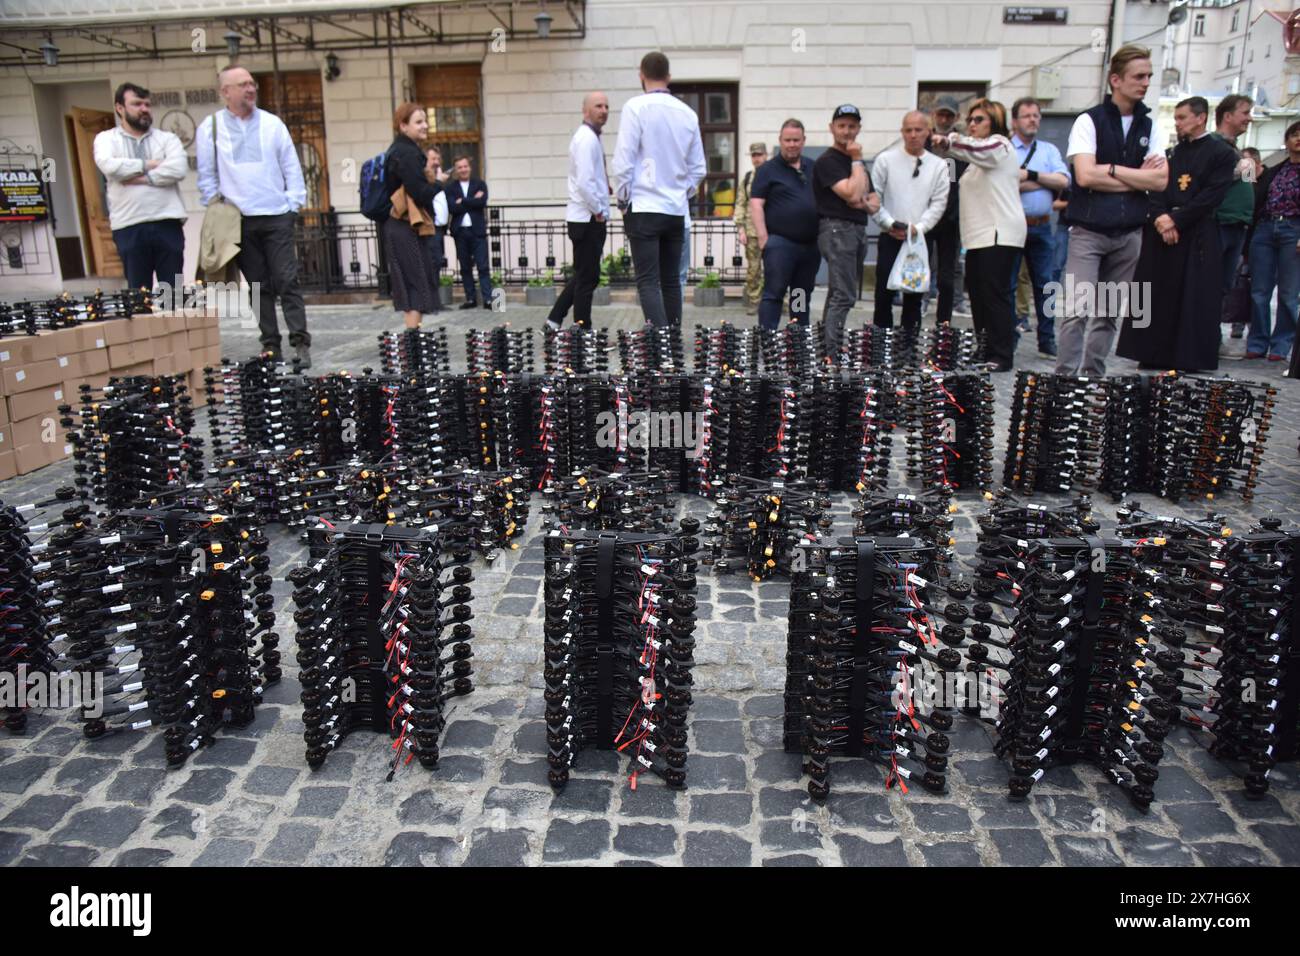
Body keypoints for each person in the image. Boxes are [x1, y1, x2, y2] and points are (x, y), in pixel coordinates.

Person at [1054, 44, 1168, 376]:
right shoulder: (1089, 121)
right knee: (1077, 308)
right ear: (1116, 80)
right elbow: (1085, 175)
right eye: (1138, 76)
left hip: (1129, 232)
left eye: (1148, 75)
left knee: (1108, 312)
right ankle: (1064, 380)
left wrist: (1113, 170)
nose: (1145, 82)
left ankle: (1092, 376)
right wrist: (1137, 177)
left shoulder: (1151, 126)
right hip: (1088, 231)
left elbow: (1160, 181)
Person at [196, 65, 310, 366]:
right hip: (238, 221)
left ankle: (300, 342)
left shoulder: (272, 124)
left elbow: (291, 166)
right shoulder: (211, 128)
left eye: (252, 83)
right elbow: (206, 176)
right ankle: (271, 345)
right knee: (258, 285)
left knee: (287, 280)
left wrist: (292, 205)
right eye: (242, 84)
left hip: (275, 215)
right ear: (226, 92)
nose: (250, 89)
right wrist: (218, 207)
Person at [1116, 97, 1236, 371]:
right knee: (1158, 291)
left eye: (1182, 117)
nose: (1178, 123)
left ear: (1200, 117)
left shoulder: (1222, 154)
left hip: (1197, 231)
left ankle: (1188, 356)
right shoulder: (1170, 155)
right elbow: (1155, 187)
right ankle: (1151, 351)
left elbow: (1212, 195)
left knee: (1193, 294)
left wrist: (1176, 220)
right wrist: (1160, 217)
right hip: (1161, 232)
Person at [611, 51, 706, 327]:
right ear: (669, 77)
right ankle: (672, 341)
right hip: (675, 209)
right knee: (671, 282)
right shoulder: (687, 113)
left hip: (643, 207)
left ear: (641, 74)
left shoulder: (635, 108)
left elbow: (623, 162)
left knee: (648, 281)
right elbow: (698, 168)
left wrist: (624, 198)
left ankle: (661, 346)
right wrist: (681, 191)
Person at [930, 99, 1024, 371]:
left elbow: (976, 148)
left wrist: (950, 140)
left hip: (999, 233)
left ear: (994, 121)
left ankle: (1002, 354)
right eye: (970, 119)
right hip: (978, 236)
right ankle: (985, 349)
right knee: (980, 297)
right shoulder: (977, 158)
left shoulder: (1000, 146)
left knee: (996, 295)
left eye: (979, 119)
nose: (972, 124)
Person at [93, 83, 188, 293]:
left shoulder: (167, 139)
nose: (144, 109)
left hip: (167, 222)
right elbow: (109, 166)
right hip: (129, 225)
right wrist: (148, 164)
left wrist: (139, 178)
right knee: (138, 296)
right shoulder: (106, 139)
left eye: (147, 104)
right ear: (120, 108)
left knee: (174, 294)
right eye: (136, 104)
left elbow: (178, 169)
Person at [870, 109, 948, 333]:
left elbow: (939, 203)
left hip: (919, 239)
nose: (913, 135)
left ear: (928, 132)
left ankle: (908, 347)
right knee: (883, 293)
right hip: (890, 235)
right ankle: (880, 346)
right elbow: (874, 197)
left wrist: (918, 228)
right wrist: (889, 223)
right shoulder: (885, 160)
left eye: (918, 130)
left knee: (914, 295)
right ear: (902, 132)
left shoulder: (939, 165)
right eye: (908, 130)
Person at [815, 104, 883, 354]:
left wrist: (859, 200)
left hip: (856, 229)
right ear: (831, 128)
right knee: (844, 295)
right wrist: (856, 161)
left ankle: (826, 347)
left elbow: (873, 202)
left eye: (852, 126)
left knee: (839, 293)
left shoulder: (857, 164)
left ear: (859, 129)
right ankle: (830, 352)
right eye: (841, 125)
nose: (847, 131)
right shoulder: (828, 161)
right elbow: (851, 193)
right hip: (837, 230)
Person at [1009, 97, 1070, 358]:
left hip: (1042, 228)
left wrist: (1032, 176)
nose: (1033, 120)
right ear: (1015, 121)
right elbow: (1006, 184)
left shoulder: (1048, 151)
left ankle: (1046, 339)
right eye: (1027, 116)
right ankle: (1008, 339)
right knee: (1009, 285)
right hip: (1013, 227)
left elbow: (1063, 181)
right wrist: (1046, 183)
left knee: (1046, 285)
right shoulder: (1006, 150)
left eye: (1036, 115)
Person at [750, 119, 821, 333]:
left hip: (809, 246)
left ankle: (797, 335)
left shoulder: (813, 167)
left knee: (800, 293)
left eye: (796, 140)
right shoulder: (767, 170)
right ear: (780, 141)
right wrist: (764, 239)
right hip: (780, 244)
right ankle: (768, 336)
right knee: (774, 292)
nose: (792, 144)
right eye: (787, 140)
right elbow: (756, 204)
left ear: (803, 141)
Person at [548, 92, 611, 331]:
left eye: (606, 106)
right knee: (588, 278)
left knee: (585, 274)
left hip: (584, 217)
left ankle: (554, 320)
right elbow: (584, 182)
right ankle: (582, 332)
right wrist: (598, 210)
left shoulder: (590, 137)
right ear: (585, 111)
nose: (603, 110)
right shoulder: (586, 139)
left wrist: (604, 186)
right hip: (587, 218)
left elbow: (589, 177)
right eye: (598, 106)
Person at [380, 104, 445, 330]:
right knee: (414, 286)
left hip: (402, 226)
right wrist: (438, 184)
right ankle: (412, 345)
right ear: (403, 126)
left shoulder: (400, 149)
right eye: (418, 122)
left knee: (413, 285)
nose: (425, 125)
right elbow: (419, 193)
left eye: (425, 120)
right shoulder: (406, 153)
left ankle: (413, 342)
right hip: (406, 227)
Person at [1243, 120, 1300, 362]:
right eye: (1294, 135)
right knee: (1259, 290)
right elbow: (1253, 191)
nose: (1298, 139)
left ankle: (1281, 345)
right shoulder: (1276, 168)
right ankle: (1257, 341)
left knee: (1288, 294)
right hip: (1265, 228)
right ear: (1286, 140)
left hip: (1293, 229)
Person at [1211, 95, 1255, 343]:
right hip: (1221, 223)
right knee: (1212, 284)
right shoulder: (1214, 145)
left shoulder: (1238, 150)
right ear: (1227, 116)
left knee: (1224, 286)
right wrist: (1236, 171)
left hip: (1239, 224)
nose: (1249, 118)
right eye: (1245, 113)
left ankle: (1212, 337)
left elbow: (1250, 182)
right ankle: (1208, 337)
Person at [926, 96, 968, 321]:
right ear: (934, 115)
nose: (943, 119)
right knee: (922, 266)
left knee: (948, 273)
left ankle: (945, 319)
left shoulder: (961, 147)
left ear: (956, 118)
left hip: (951, 218)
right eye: (940, 114)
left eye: (948, 116)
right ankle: (920, 305)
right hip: (925, 215)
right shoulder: (923, 141)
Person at [449, 156, 493, 309]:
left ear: (470, 167)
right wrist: (472, 200)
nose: (463, 169)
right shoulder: (451, 187)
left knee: (483, 266)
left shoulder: (480, 184)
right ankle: (471, 299)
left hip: (477, 231)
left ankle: (488, 299)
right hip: (460, 231)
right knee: (465, 267)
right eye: (459, 167)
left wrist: (463, 201)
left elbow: (482, 202)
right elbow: (452, 208)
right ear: (456, 170)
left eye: (465, 166)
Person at [734, 142, 768, 315]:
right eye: (754, 155)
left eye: (759, 155)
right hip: (752, 232)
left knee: (776, 269)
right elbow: (740, 203)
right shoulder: (747, 179)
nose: (757, 158)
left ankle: (780, 300)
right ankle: (754, 301)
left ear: (766, 155)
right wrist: (741, 229)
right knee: (753, 270)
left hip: (772, 231)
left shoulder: (774, 176)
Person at [425, 146, 451, 311]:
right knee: (432, 263)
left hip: (440, 228)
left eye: (438, 159)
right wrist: (439, 181)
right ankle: (431, 303)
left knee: (437, 263)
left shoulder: (440, 179)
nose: (436, 162)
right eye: (433, 159)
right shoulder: (426, 179)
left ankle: (435, 302)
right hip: (430, 227)